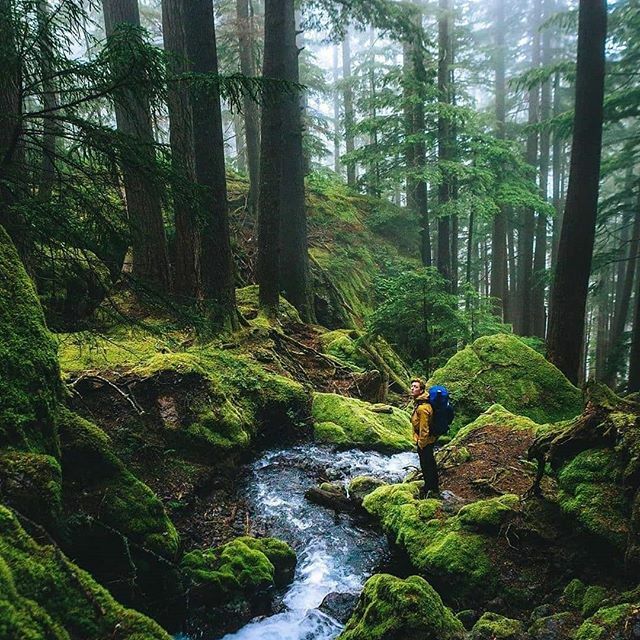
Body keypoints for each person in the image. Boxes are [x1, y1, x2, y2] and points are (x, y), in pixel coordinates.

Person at [410, 378, 439, 498]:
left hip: (425, 441)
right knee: (429, 462)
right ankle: (432, 486)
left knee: (427, 463)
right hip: (428, 439)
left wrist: (421, 443)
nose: (412, 388)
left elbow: (424, 429)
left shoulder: (423, 408)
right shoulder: (420, 402)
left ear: (421, 390)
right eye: (412, 386)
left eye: (415, 387)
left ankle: (430, 487)